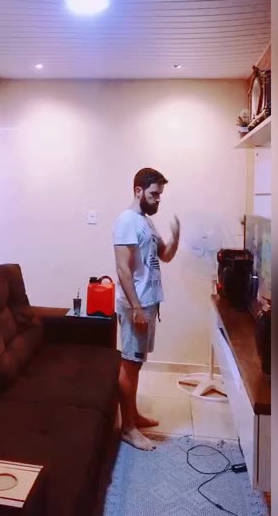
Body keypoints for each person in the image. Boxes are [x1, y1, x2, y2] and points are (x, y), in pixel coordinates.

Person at [113, 167, 180, 450]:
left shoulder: (145, 222)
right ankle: (128, 428)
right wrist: (137, 308)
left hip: (148, 303)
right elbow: (122, 269)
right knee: (130, 363)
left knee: (136, 362)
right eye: (154, 194)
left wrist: (176, 237)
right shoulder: (127, 221)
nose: (158, 199)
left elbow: (164, 256)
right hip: (135, 305)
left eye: (160, 195)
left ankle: (134, 416)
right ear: (138, 191)